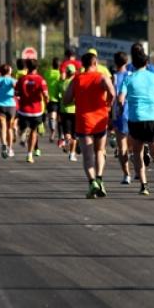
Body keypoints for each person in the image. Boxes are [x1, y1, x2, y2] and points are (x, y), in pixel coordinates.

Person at [118, 46, 154, 196]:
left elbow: (120, 99)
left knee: (137, 152)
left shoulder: (128, 78)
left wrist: (121, 106)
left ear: (134, 64)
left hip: (136, 118)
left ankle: (143, 185)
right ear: (147, 63)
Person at [64, 52, 115, 198]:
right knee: (100, 151)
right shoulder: (101, 77)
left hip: (84, 121)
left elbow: (66, 100)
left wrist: (78, 98)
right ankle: (99, 179)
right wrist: (108, 103)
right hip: (100, 120)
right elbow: (112, 91)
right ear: (95, 63)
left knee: (87, 155)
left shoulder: (77, 79)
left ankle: (92, 182)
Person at [15, 59, 48, 163]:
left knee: (22, 128)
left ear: (27, 67)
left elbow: (16, 93)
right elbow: (46, 95)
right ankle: (29, 155)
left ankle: (24, 131)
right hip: (36, 110)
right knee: (34, 131)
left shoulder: (22, 79)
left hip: (24, 110)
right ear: (37, 67)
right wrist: (46, 102)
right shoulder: (40, 80)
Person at [112, 51, 132, 185]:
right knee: (135, 145)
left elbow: (110, 97)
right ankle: (138, 169)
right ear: (126, 62)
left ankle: (127, 175)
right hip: (134, 113)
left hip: (119, 113)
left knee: (122, 147)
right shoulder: (132, 75)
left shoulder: (113, 77)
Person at [0, 64, 17, 159]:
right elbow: (17, 88)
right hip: (11, 105)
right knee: (9, 128)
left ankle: (4, 145)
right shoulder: (12, 80)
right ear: (9, 71)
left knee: (3, 126)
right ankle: (10, 149)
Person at [59, 64, 79, 161]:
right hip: (75, 110)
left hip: (64, 110)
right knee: (74, 134)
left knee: (67, 132)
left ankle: (67, 141)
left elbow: (59, 96)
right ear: (74, 72)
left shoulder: (62, 83)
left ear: (66, 73)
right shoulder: (76, 83)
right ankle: (72, 154)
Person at [43, 58, 62, 143]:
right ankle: (61, 135)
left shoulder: (47, 73)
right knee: (60, 118)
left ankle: (53, 132)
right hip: (61, 98)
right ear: (59, 65)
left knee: (52, 117)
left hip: (51, 98)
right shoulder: (61, 74)